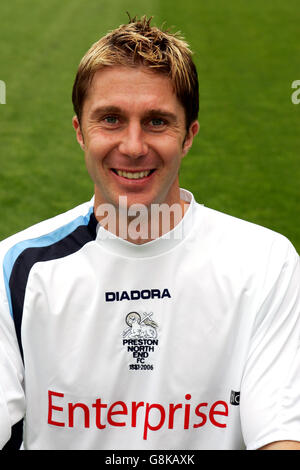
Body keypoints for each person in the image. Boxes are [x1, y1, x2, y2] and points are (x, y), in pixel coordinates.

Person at [0, 15, 299, 451]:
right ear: (80, 132)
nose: (134, 146)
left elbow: (282, 435)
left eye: (157, 122)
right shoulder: (15, 269)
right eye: (111, 119)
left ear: (189, 135)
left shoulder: (266, 263)